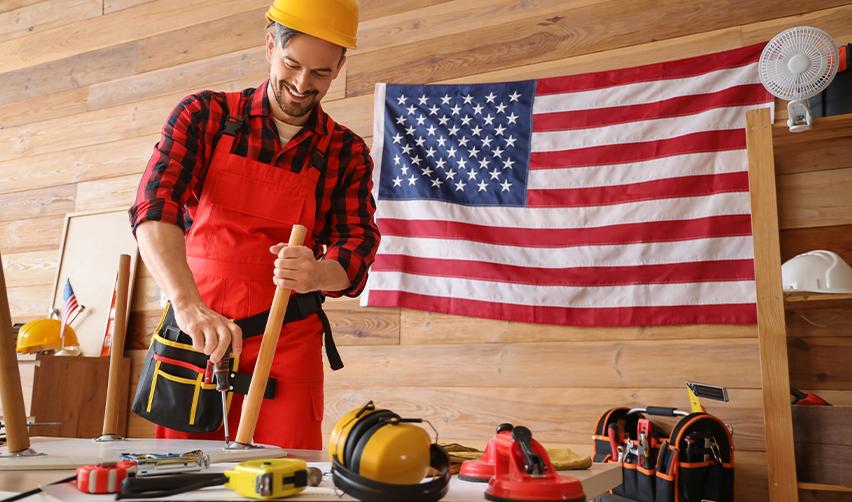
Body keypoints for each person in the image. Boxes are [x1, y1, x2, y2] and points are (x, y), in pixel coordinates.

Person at [128, 0, 379, 449]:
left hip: (287, 338)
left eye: (321, 73)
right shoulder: (205, 115)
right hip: (197, 333)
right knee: (186, 474)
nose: (303, 85)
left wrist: (318, 273)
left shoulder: (347, 151)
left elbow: (357, 245)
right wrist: (186, 305)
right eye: (292, 64)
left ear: (340, 65)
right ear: (270, 46)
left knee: (285, 474)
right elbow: (154, 207)